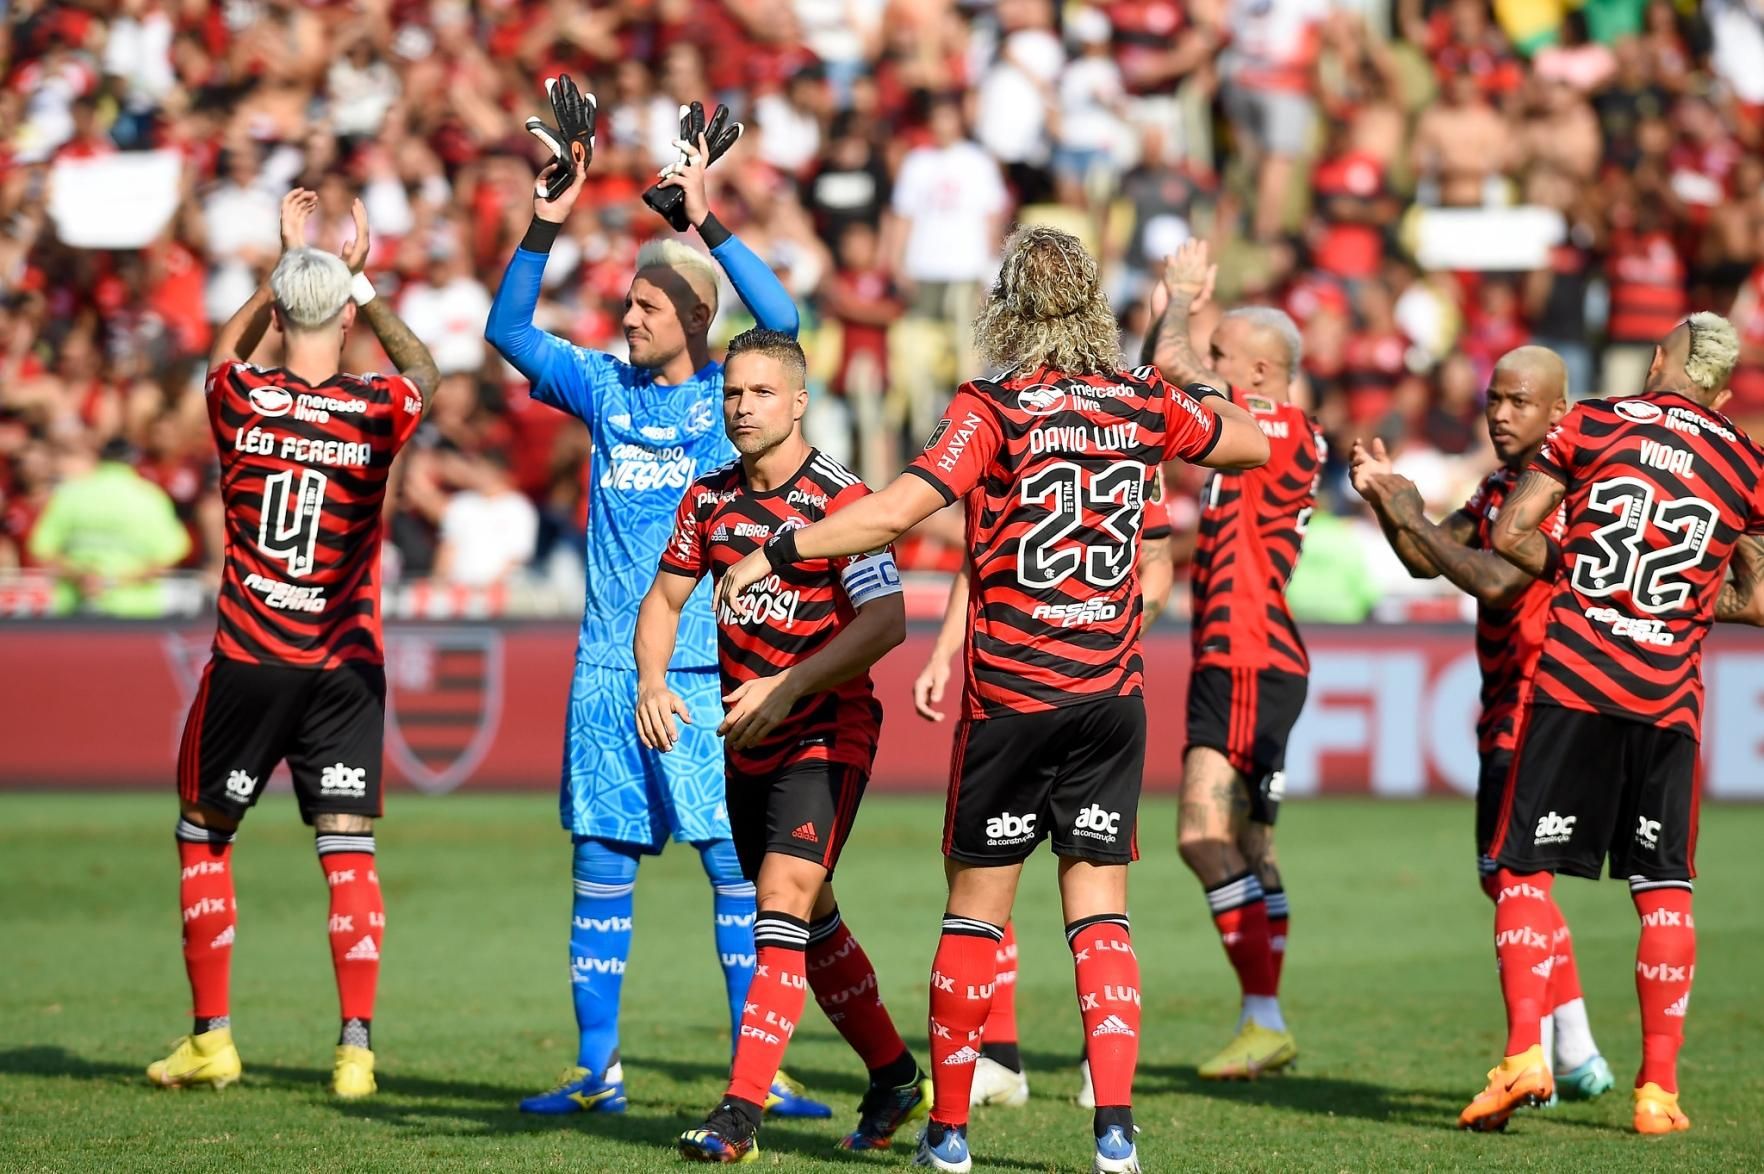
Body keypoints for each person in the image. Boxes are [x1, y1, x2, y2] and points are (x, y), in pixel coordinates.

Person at [715, 225, 1270, 1174]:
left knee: (976, 914)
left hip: (1014, 693)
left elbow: (895, 511)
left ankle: (951, 1133)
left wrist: (781, 548)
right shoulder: (1144, 400)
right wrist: (1194, 384)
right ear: (1093, 302)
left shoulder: (992, 405)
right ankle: (1115, 1136)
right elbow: (1250, 444)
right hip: (1110, 693)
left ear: (1006, 306)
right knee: (1101, 914)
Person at [481, 91, 827, 1118]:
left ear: (689, 325)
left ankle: (753, 1077)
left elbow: (786, 321)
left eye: (643, 309)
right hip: (605, 669)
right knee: (600, 867)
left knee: (736, 871)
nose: (624, 319)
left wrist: (702, 218)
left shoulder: (729, 398)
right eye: (626, 307)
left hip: (706, 670)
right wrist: (547, 217)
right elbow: (506, 326)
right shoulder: (600, 388)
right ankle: (598, 1072)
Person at [147, 189, 439, 1097]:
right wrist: (361, 278)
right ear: (347, 318)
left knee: (205, 836)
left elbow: (216, 355)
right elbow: (426, 369)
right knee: (347, 849)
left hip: (249, 654)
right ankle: (355, 1049)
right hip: (345, 661)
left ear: (278, 312)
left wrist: (280, 269)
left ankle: (213, 1039)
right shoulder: (376, 407)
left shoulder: (241, 398)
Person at [633, 328, 929, 1162]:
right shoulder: (708, 500)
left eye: (762, 393)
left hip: (826, 728)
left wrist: (792, 683)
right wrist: (653, 680)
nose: (743, 408)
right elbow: (661, 603)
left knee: (782, 900)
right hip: (746, 738)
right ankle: (896, 1076)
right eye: (732, 393)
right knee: (815, 913)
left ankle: (740, 1113)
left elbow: (887, 621)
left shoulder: (842, 501)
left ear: (799, 402)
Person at [1470, 314, 1764, 1134]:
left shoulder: (1594, 422)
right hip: (1668, 698)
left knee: (1525, 873)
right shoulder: (1746, 462)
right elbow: (1763, 597)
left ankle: (1526, 1053)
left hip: (1573, 685)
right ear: (1725, 389)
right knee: (1664, 890)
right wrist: (1690, 605)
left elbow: (1508, 532)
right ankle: (1657, 1090)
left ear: (1661, 359)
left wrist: (1588, 580)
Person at [1350, 346, 1616, 1104]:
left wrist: (1410, 515)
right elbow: (1428, 563)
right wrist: (1384, 497)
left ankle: (1545, 1052)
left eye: (1519, 402)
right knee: (1507, 878)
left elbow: (1497, 582)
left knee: (1511, 876)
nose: (1499, 414)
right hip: (1506, 701)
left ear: (1559, 413)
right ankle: (1576, 1051)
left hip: (1545, 701)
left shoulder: (1564, 493)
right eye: (1494, 399)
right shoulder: (1501, 484)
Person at [910, 477, 1178, 1111]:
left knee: (1071, 890)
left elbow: (1157, 560)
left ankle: (1096, 1064)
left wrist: (1103, 640)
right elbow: (982, 558)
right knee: (981, 881)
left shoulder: (1095, 427)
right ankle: (1001, 1059)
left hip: (1047, 691)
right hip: (1020, 680)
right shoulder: (1097, 422)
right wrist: (944, 652)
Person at [1142, 238, 1322, 1080]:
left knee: (1199, 835)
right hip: (1263, 654)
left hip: (1245, 655)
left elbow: (1171, 366)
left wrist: (1179, 300)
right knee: (1252, 848)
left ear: (1255, 373)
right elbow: (1164, 382)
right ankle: (1266, 1020)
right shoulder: (1284, 431)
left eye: (1222, 358)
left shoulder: (1269, 425)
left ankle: (1263, 1014)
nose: (1205, 362)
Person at [28, 436, 191, 616]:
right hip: (137, 610)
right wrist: (116, 582)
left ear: (101, 458)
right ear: (135, 461)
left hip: (74, 607)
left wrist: (82, 578)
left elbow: (41, 550)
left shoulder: (71, 493)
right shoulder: (151, 497)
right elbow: (169, 557)